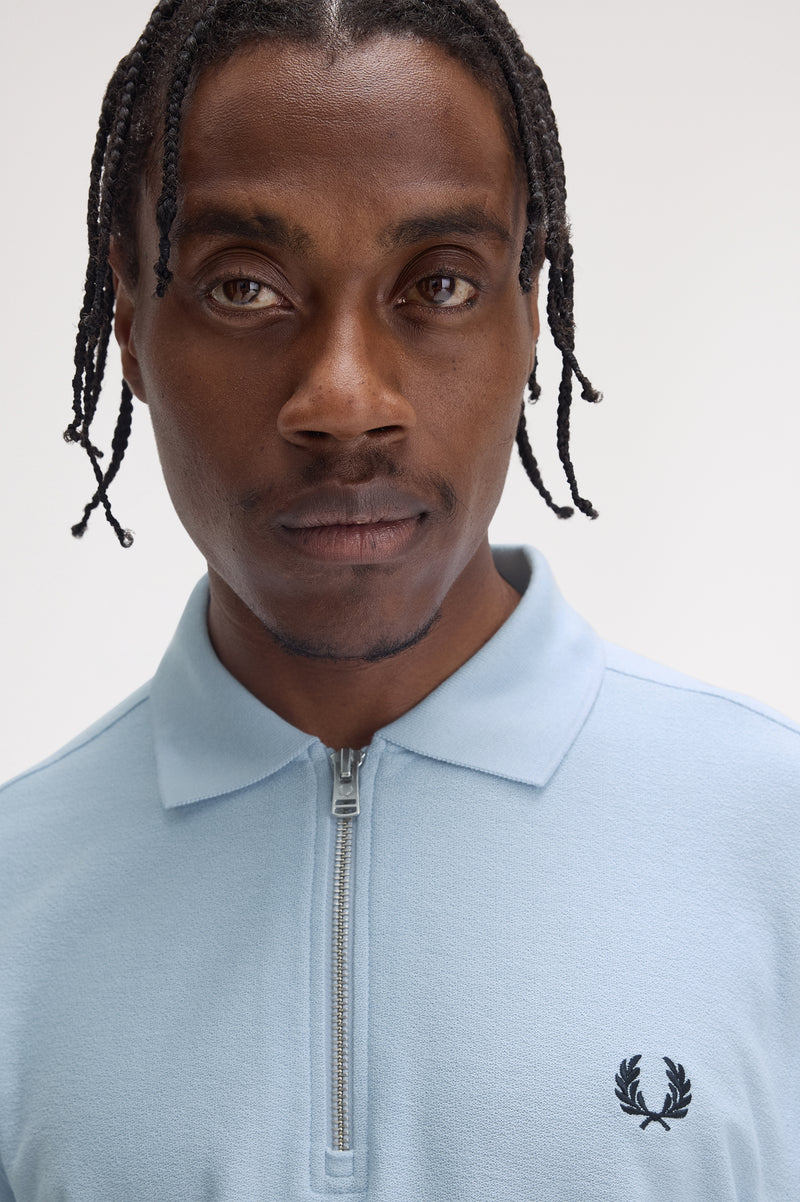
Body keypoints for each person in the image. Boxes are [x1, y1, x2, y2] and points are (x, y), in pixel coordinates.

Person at [1, 0, 798, 1198]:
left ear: (529, 306)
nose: (343, 400)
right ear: (126, 316)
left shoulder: (773, 840)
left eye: (439, 283)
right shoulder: (16, 900)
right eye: (243, 287)